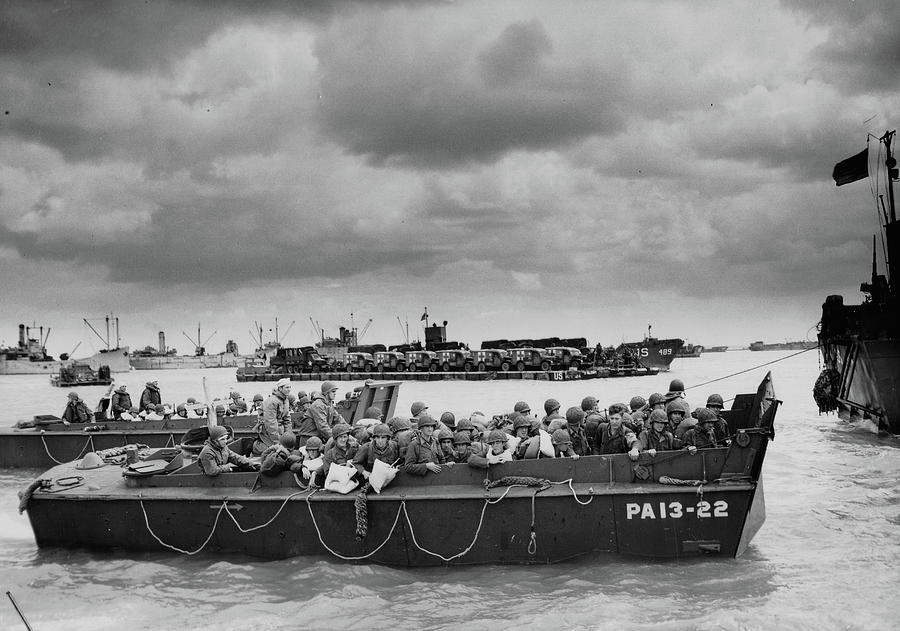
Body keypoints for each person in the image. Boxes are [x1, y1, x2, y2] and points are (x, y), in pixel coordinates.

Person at [254, 378, 291, 455]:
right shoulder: (272, 401)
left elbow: (287, 419)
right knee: (273, 452)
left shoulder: (285, 400)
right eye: (287, 387)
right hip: (269, 433)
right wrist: (277, 441)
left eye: (290, 387)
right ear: (280, 388)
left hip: (280, 430)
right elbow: (270, 423)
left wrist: (288, 436)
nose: (289, 389)